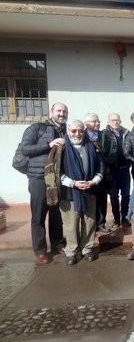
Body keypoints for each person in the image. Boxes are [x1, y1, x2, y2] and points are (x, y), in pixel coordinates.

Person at [21, 102, 67, 264]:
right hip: (39, 178)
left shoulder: (67, 131)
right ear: (51, 112)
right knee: (39, 215)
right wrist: (49, 144)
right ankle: (40, 250)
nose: (61, 114)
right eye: (59, 111)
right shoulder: (37, 128)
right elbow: (25, 149)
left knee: (56, 214)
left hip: (57, 179)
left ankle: (58, 243)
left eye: (64, 111)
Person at [58, 119, 104, 265]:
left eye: (80, 130)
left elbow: (101, 166)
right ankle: (71, 251)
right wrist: (74, 183)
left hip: (90, 190)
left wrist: (94, 181)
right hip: (69, 192)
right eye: (73, 131)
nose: (77, 134)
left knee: (89, 221)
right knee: (71, 224)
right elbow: (56, 171)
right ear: (68, 131)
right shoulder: (61, 149)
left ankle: (87, 248)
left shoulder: (92, 146)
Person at [84, 112, 116, 233]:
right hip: (88, 173)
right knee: (90, 200)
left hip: (103, 172)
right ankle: (90, 225)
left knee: (102, 198)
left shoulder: (104, 135)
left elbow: (113, 151)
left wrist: (105, 162)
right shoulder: (82, 135)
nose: (97, 123)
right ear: (86, 123)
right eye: (94, 121)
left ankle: (101, 223)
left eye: (98, 121)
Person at [105, 113, 131, 229]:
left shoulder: (126, 132)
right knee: (114, 196)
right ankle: (116, 218)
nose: (116, 122)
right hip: (112, 171)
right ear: (108, 121)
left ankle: (124, 217)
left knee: (126, 195)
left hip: (125, 169)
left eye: (117, 120)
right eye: (113, 120)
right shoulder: (104, 134)